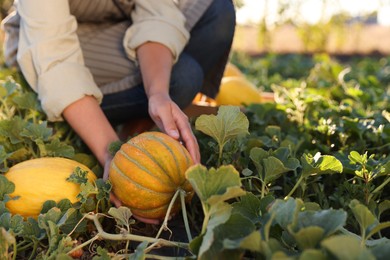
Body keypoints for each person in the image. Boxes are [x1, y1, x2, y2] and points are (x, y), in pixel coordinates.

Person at [1, 0, 236, 222]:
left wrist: (158, 94)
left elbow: (156, 10)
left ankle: (133, 131)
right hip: (42, 43)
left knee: (216, 9)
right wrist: (112, 155)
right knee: (184, 75)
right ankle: (111, 136)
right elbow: (55, 58)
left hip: (111, 31)